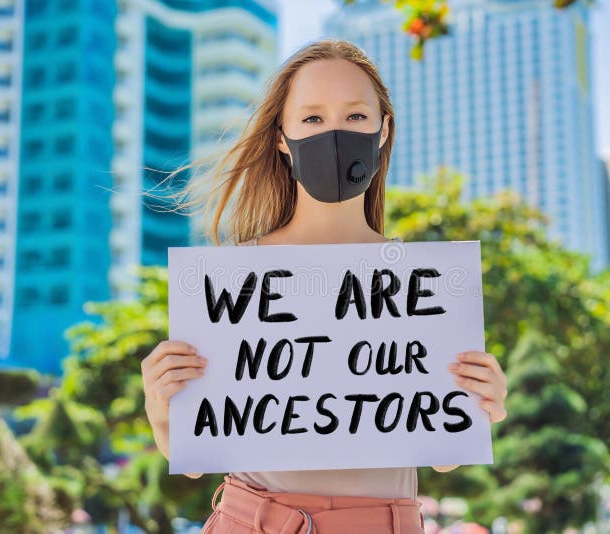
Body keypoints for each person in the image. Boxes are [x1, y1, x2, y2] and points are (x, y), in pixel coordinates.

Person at [141, 38, 508, 533]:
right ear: (280, 137)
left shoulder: (427, 287)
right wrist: (161, 405)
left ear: (384, 130)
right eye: (312, 119)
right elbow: (191, 457)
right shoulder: (231, 283)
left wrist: (482, 401)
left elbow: (443, 457)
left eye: (356, 116)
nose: (335, 132)